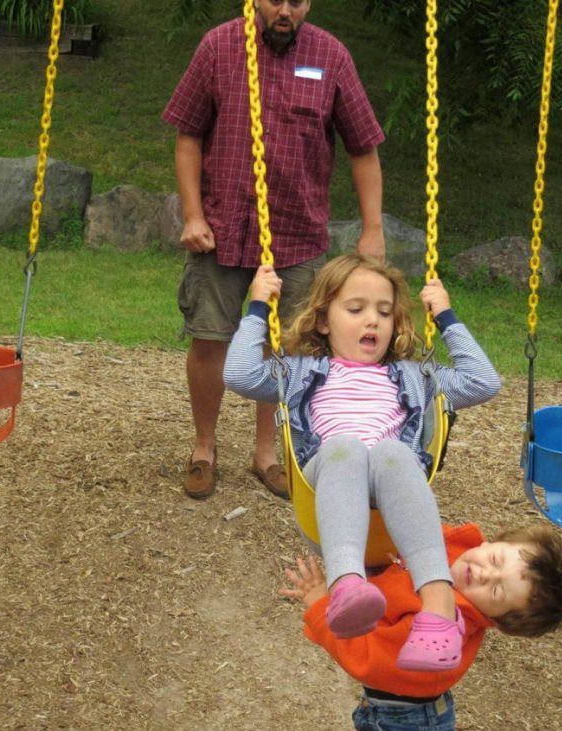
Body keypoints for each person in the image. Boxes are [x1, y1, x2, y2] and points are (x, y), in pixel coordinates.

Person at [224, 253, 502, 672]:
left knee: (393, 452)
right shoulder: (298, 373)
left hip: (392, 501)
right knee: (347, 447)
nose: (372, 320)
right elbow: (239, 374)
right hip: (328, 482)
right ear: (323, 320)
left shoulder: (416, 377)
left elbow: (484, 381)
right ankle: (347, 584)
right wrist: (259, 308)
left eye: (384, 311)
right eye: (356, 309)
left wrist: (445, 315)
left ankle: (439, 605)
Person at [162, 0, 386, 501]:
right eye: (275, 0)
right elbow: (188, 136)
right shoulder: (219, 46)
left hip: (297, 234)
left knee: (285, 349)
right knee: (209, 338)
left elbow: (363, 147)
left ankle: (268, 452)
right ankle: (204, 448)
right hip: (221, 229)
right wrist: (193, 215)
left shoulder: (331, 56)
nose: (285, 10)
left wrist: (373, 228)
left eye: (298, 1)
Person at [280, 522, 562, 731]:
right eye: (495, 560)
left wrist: (322, 604)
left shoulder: (434, 635)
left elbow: (365, 657)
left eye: (497, 591)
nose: (484, 573)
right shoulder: (448, 548)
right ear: (495, 542)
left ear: (501, 621)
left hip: (402, 720)